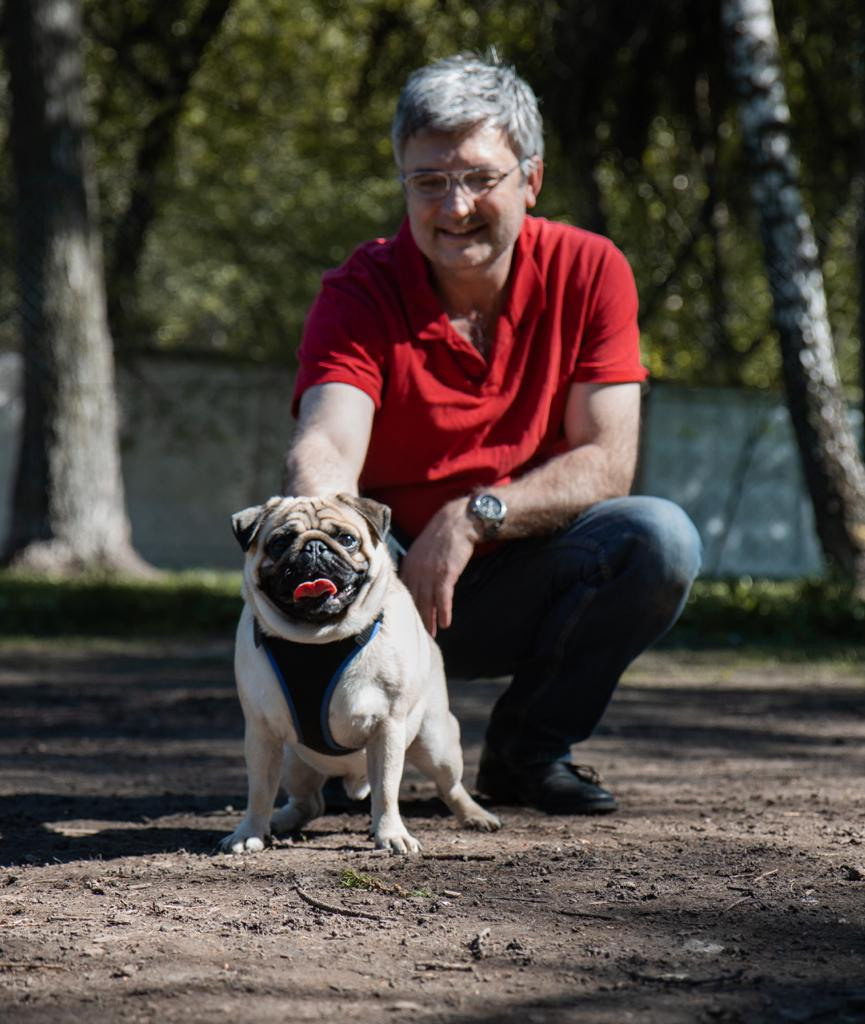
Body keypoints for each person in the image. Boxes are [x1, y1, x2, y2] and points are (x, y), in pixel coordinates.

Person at [283, 52, 702, 815]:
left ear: (530, 180)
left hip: (527, 576)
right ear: (403, 184)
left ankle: (527, 754)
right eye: (429, 182)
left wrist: (472, 516)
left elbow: (606, 462)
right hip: (391, 586)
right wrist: (324, 528)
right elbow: (328, 442)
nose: (454, 206)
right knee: (309, 543)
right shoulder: (360, 290)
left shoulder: (591, 269)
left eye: (480, 178)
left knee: (657, 538)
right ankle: (341, 754)